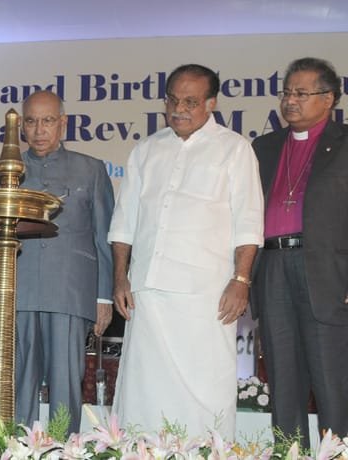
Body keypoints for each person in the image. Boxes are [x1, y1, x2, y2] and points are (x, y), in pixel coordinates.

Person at [108, 64, 263, 439]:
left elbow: (249, 222)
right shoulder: (146, 149)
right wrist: (119, 277)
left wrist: (240, 280)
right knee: (143, 388)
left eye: (191, 101)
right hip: (147, 290)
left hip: (206, 295)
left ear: (211, 103)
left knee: (205, 387)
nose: (179, 108)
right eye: (173, 100)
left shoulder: (234, 149)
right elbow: (124, 222)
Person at [251, 57, 348, 447]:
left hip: (325, 272)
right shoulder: (264, 147)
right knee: (283, 379)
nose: (291, 101)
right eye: (287, 92)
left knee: (331, 381)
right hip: (272, 267)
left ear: (329, 99)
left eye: (301, 93)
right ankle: (287, 454)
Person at [11, 90, 114, 435]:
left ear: (63, 123)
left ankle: (62, 449)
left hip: (70, 292)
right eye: (31, 121)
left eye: (48, 120)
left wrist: (103, 297)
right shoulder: (8, 171)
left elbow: (104, 237)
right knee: (16, 385)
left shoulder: (91, 170)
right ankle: (13, 451)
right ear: (22, 126)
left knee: (66, 386)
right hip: (19, 292)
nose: (39, 129)